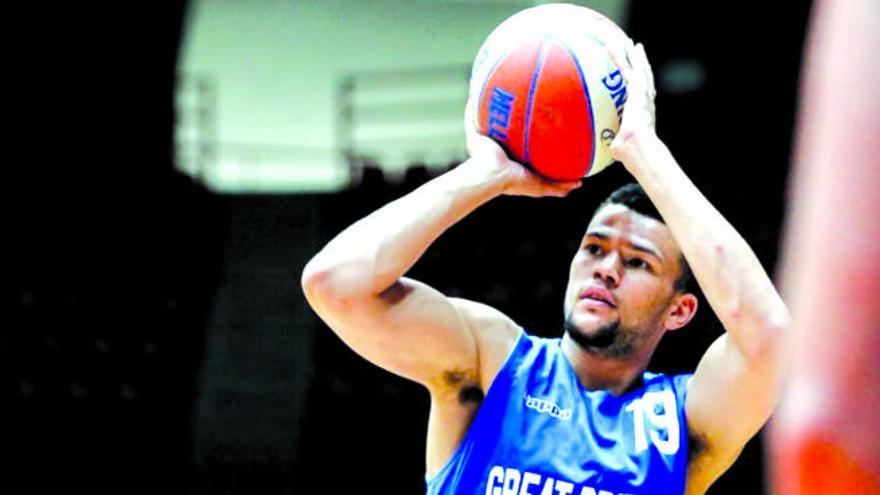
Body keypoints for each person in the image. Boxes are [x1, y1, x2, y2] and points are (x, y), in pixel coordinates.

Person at [302, 40, 788, 495]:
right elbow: (334, 284)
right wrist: (483, 176)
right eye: (594, 249)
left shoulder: (681, 421)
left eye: (637, 261)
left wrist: (645, 152)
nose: (606, 269)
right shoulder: (492, 360)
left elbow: (767, 334)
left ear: (679, 310)